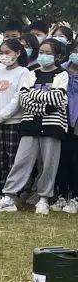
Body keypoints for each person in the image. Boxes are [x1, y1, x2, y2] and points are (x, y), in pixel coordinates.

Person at [0, 40, 70, 214]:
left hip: (53, 127)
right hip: (30, 125)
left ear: (58, 56)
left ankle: (44, 199)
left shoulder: (62, 74)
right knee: (21, 161)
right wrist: (45, 103)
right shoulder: (31, 73)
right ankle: (9, 197)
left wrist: (35, 96)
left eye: (48, 53)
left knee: (48, 164)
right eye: (41, 51)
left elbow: (58, 97)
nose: (43, 55)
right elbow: (24, 99)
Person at [0, 38, 28, 206]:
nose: (4, 56)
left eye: (8, 52)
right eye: (1, 52)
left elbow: (18, 98)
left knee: (12, 158)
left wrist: (2, 116)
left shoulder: (23, 72)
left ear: (17, 53)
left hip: (13, 122)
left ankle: (14, 192)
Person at [55, 41, 78, 213]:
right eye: (76, 50)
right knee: (61, 158)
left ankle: (75, 197)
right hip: (60, 120)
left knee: (75, 160)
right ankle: (61, 194)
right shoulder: (60, 70)